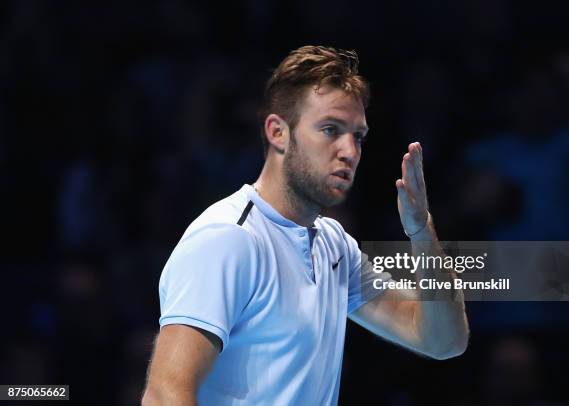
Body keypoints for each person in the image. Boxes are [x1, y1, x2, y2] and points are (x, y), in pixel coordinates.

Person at [142, 46, 469, 406]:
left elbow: (444, 342)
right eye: (330, 129)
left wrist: (422, 232)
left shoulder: (335, 247)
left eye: (357, 136)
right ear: (278, 132)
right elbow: (164, 395)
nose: (349, 150)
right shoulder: (228, 239)